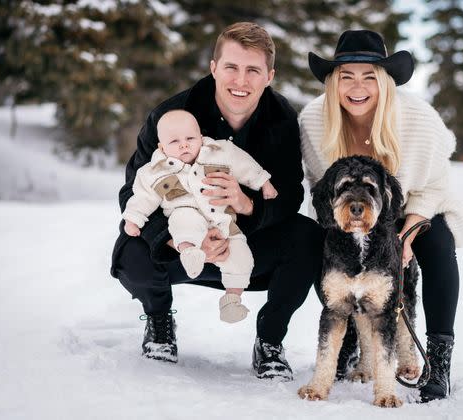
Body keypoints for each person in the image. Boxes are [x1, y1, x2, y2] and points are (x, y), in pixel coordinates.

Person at [111, 22, 323, 381]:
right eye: (231, 67)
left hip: (244, 244)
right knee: (130, 251)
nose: (240, 80)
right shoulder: (172, 116)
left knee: (308, 238)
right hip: (182, 241)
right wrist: (177, 239)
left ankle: (270, 341)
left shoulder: (282, 118)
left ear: (269, 76)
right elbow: (133, 190)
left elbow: (290, 194)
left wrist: (247, 205)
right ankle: (159, 320)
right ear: (213, 68)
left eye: (253, 70)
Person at [299, 30, 463, 402]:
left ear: (385, 81)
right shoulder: (313, 119)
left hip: (416, 206)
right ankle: (348, 335)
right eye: (346, 76)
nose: (357, 87)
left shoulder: (418, 119)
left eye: (369, 76)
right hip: (349, 211)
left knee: (439, 246)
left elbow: (435, 184)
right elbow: (320, 188)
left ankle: (438, 362)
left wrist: (405, 235)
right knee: (321, 246)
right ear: (333, 81)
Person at [122, 110, 279, 324]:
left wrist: (263, 182)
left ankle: (232, 299)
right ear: (161, 147)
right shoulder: (152, 171)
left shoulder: (220, 151)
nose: (184, 145)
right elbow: (143, 197)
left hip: (223, 221)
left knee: (242, 257)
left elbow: (245, 165)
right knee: (183, 221)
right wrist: (133, 219)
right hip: (185, 214)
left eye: (190, 139)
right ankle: (189, 252)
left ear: (201, 137)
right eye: (175, 141)